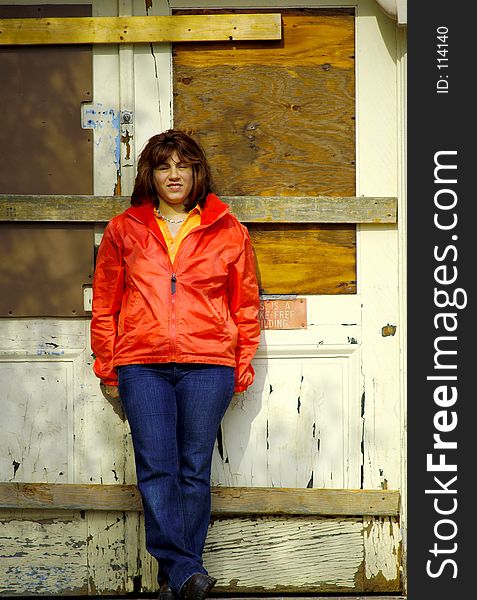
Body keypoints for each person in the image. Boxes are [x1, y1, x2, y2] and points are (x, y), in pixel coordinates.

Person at [91, 129, 261, 600]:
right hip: (142, 364)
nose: (173, 175)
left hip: (208, 363)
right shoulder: (125, 230)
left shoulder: (228, 230)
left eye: (182, 165)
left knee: (192, 470)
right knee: (156, 469)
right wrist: (108, 366)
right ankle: (188, 570)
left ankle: (175, 579)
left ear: (195, 172)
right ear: (151, 173)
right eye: (164, 166)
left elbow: (245, 305)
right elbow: (106, 304)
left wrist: (240, 363)